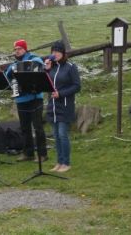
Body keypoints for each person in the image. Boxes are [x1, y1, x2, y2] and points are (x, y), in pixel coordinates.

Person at [4, 39, 48, 162]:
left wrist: (23, 64)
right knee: (25, 128)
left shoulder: (34, 58)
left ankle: (42, 154)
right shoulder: (14, 63)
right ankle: (28, 153)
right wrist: (12, 67)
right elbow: (8, 75)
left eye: (19, 49)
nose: (17, 51)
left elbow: (39, 63)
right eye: (15, 49)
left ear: (25, 49)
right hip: (21, 99)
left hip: (35, 98)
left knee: (38, 127)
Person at [45, 40, 81, 173]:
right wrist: (46, 69)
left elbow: (77, 86)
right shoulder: (52, 68)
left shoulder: (71, 67)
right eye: (53, 52)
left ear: (63, 53)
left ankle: (66, 162)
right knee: (55, 135)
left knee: (62, 134)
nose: (55, 54)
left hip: (65, 106)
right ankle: (59, 162)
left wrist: (61, 94)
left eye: (57, 51)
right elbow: (46, 83)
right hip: (53, 107)